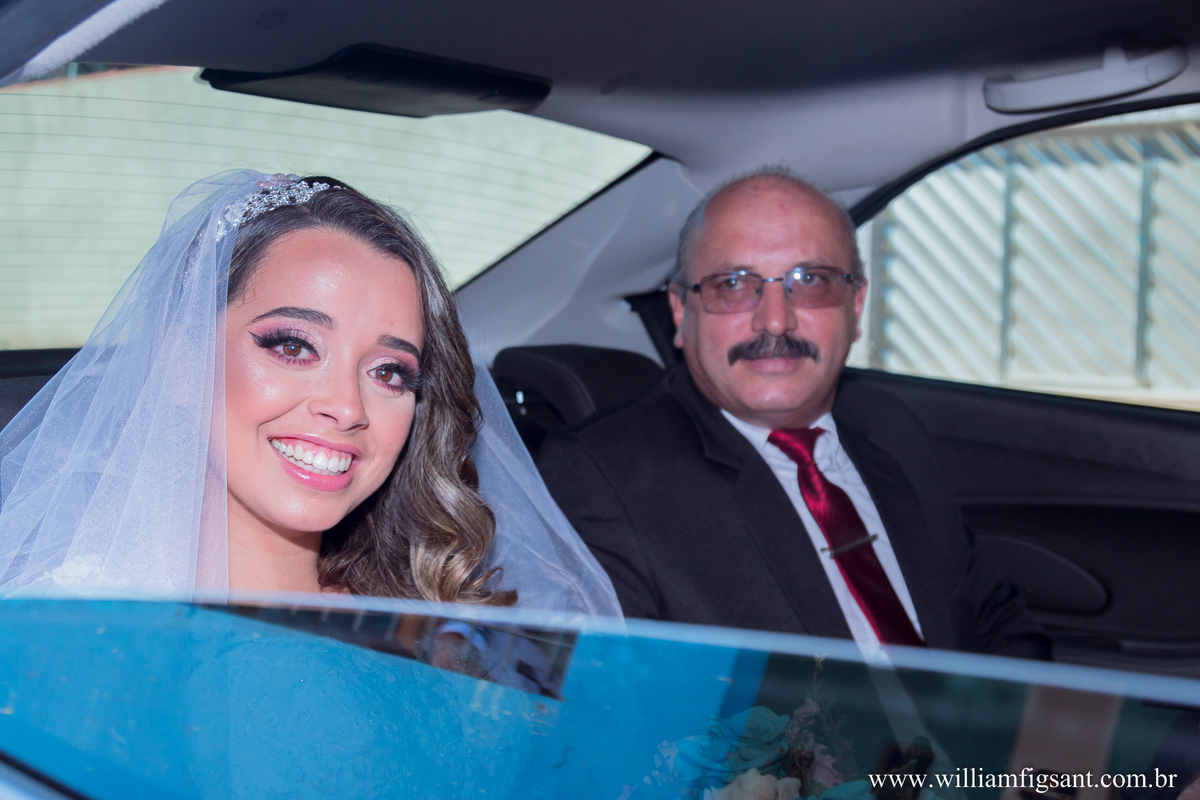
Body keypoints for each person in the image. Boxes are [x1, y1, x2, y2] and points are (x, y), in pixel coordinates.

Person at [0, 170, 619, 616]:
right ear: (182, 362)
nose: (348, 408)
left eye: (390, 372)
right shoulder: (64, 632)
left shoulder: (448, 629)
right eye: (294, 346)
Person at [538, 167, 1048, 657]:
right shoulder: (602, 479)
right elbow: (640, 718)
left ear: (856, 307)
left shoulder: (890, 427)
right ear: (680, 309)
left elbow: (994, 622)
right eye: (734, 284)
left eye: (810, 280)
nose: (775, 320)